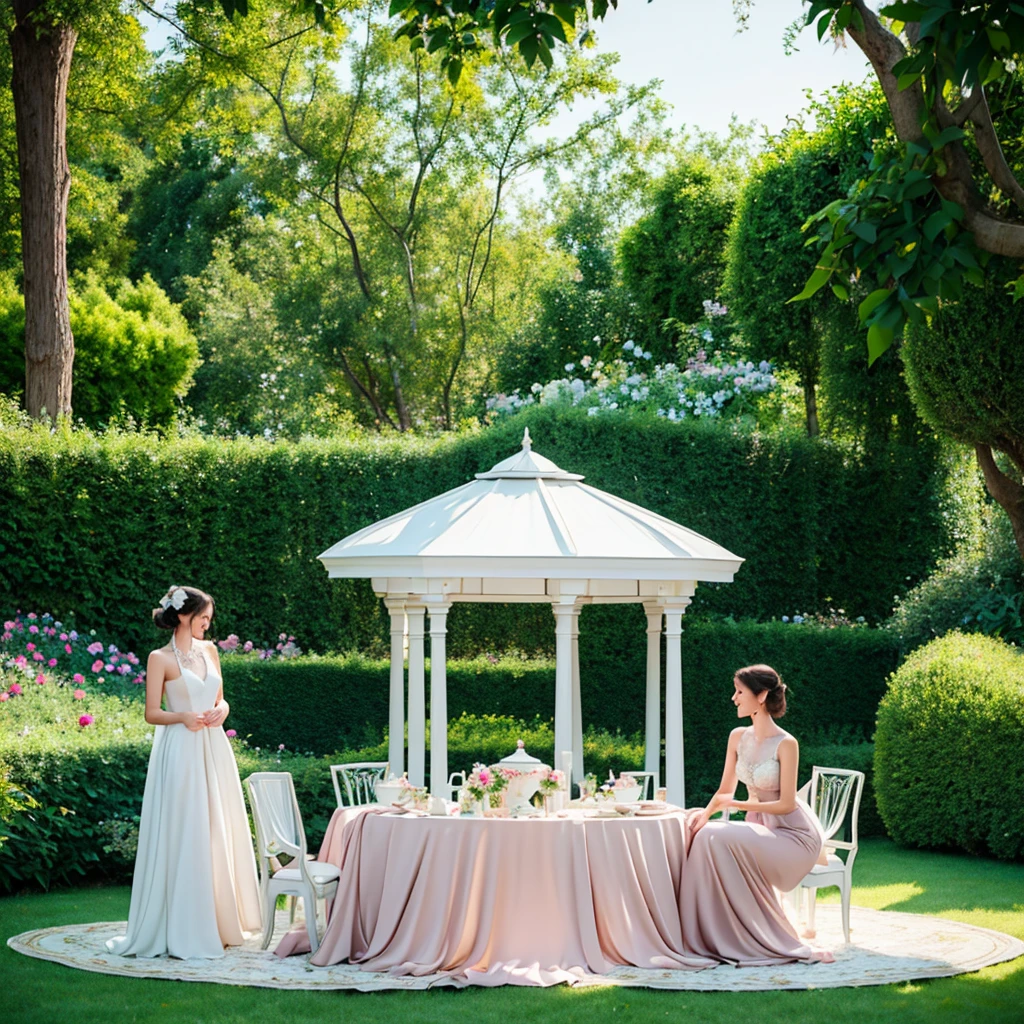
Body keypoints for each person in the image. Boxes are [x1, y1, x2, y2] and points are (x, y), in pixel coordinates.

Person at [106, 586, 261, 959]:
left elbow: (220, 696)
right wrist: (183, 717)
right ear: (182, 616)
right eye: (203, 618)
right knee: (186, 829)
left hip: (213, 748)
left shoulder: (209, 651)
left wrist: (222, 710)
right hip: (180, 750)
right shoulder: (159, 658)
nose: (208, 626)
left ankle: (221, 921)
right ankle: (182, 924)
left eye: (209, 619)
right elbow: (151, 713)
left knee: (214, 830)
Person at [681, 664, 835, 965]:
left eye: (740, 692)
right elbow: (726, 789)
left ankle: (752, 935)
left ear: (761, 696)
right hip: (764, 830)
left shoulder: (786, 743)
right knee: (704, 834)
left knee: (714, 836)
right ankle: (705, 933)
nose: (733, 698)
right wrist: (707, 812)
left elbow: (787, 803)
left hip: (794, 837)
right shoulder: (737, 736)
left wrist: (738, 806)